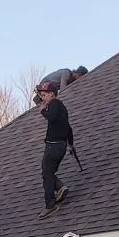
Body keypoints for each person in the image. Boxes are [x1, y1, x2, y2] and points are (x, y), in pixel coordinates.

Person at [36, 81, 72, 218]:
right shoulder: (62, 108)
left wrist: (42, 110)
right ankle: (61, 187)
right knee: (49, 172)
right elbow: (69, 129)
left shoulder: (55, 104)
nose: (42, 98)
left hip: (53, 145)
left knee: (47, 174)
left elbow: (50, 116)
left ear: (52, 94)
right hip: (61, 146)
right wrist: (71, 145)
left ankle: (49, 205)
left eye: (44, 95)